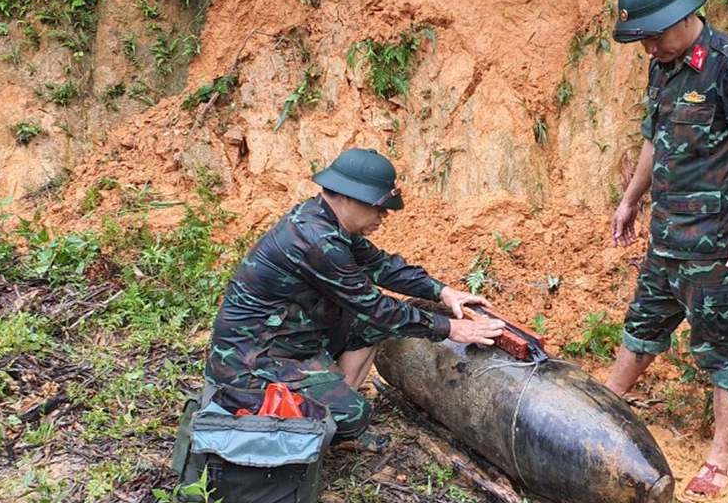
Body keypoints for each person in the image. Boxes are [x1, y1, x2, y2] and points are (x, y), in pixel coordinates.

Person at [606, 0, 728, 497]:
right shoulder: (662, 67)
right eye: (641, 39)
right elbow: (653, 140)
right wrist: (629, 200)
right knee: (641, 326)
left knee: (722, 349)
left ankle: (719, 459)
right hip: (665, 238)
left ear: (684, 17)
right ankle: (605, 406)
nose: (649, 48)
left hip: (716, 248)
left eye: (655, 36)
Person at [205, 147, 504, 451]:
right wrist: (452, 329)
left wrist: (442, 291)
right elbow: (374, 307)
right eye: (378, 206)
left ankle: (329, 397)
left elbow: (381, 266)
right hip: (252, 360)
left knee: (368, 329)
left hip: (289, 338)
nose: (383, 216)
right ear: (348, 197)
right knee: (355, 415)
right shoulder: (317, 241)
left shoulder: (327, 221)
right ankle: (322, 417)